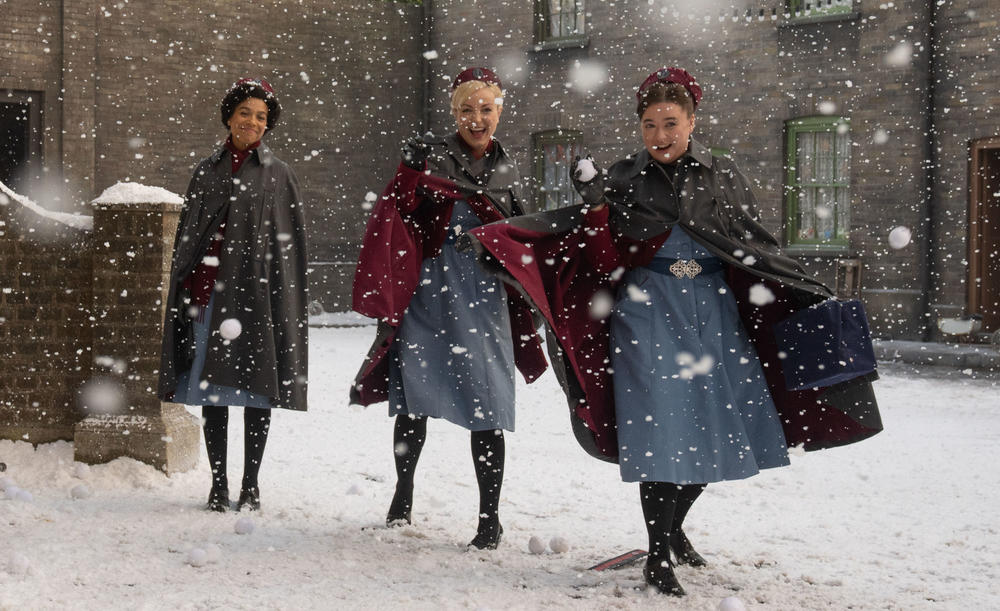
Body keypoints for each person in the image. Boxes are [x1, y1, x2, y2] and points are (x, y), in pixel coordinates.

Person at [461, 67, 882, 594]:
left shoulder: (723, 175)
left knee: (717, 429)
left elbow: (754, 247)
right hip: (646, 315)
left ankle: (673, 529)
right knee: (660, 435)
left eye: (670, 123)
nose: (660, 136)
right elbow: (602, 258)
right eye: (649, 124)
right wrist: (594, 204)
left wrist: (799, 291)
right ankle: (657, 557)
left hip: (714, 317)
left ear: (692, 121)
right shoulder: (623, 177)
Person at [351, 67, 546, 549]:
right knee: (413, 403)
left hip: (484, 303)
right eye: (466, 109)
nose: (475, 119)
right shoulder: (431, 160)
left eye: (485, 109)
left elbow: (521, 235)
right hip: (430, 298)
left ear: (499, 111)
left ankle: (489, 517)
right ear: (453, 113)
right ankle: (401, 495)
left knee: (489, 408)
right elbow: (395, 216)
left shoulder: (507, 170)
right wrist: (408, 171)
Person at [158, 78, 309, 513]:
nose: (253, 122)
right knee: (214, 395)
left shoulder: (279, 175)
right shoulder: (207, 170)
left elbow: (290, 246)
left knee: (256, 392)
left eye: (262, 117)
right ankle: (219, 483)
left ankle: (252, 484)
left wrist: (281, 297)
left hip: (257, 303)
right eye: (246, 113)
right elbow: (189, 235)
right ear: (229, 116)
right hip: (208, 298)